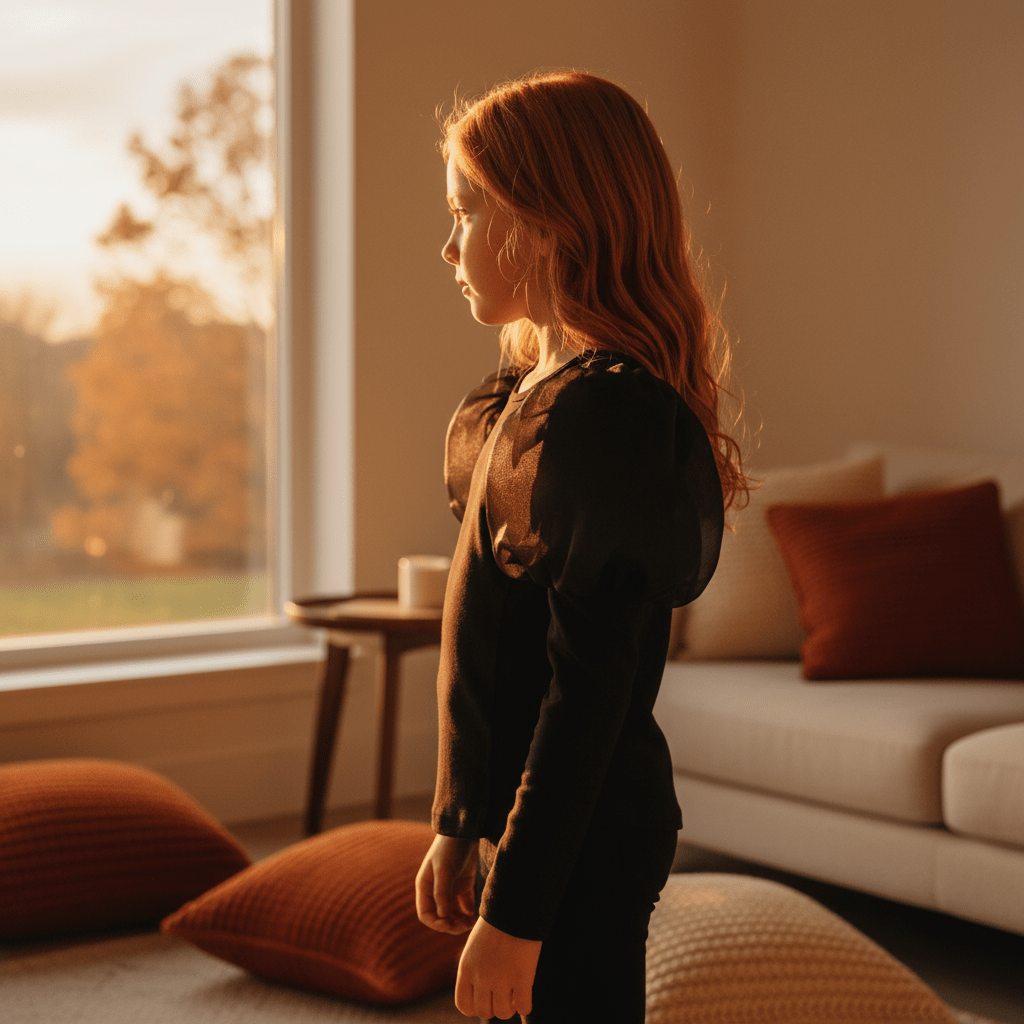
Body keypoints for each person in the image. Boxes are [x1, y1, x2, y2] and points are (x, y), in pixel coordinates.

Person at [415, 70, 747, 1023]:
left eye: (466, 211)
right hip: (525, 828)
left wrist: (519, 912)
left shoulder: (611, 417)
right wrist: (459, 818)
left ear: (546, 220)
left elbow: (587, 689)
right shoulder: (528, 395)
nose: (448, 244)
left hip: (585, 841)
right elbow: (489, 642)